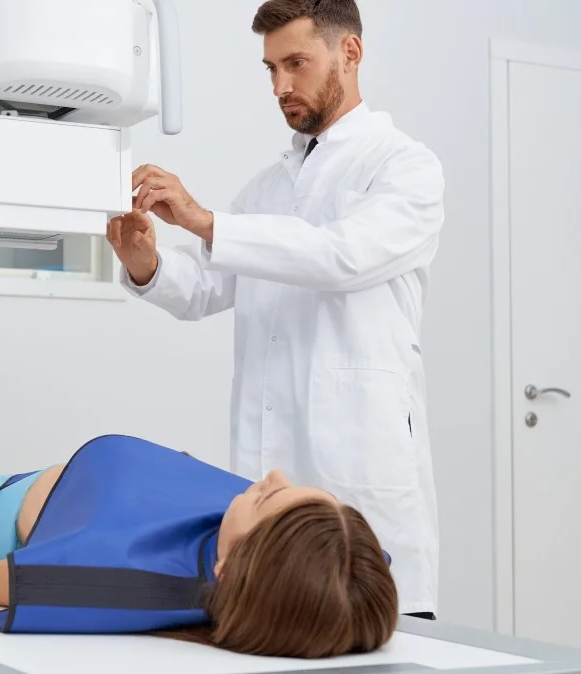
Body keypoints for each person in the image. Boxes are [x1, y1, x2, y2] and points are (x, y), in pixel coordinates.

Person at [106, 0, 444, 619]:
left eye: (296, 64)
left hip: (361, 476)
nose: (280, 86)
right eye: (270, 69)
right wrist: (145, 262)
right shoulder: (267, 188)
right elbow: (206, 286)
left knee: (379, 635)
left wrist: (207, 221)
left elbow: (341, 256)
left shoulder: (405, 168)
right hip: (271, 491)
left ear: (350, 53)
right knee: (270, 631)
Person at [0, 435, 399, 659]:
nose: (270, 475)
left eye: (268, 497)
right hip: (47, 487)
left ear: (228, 567)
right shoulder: (311, 560)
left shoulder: (133, 584)